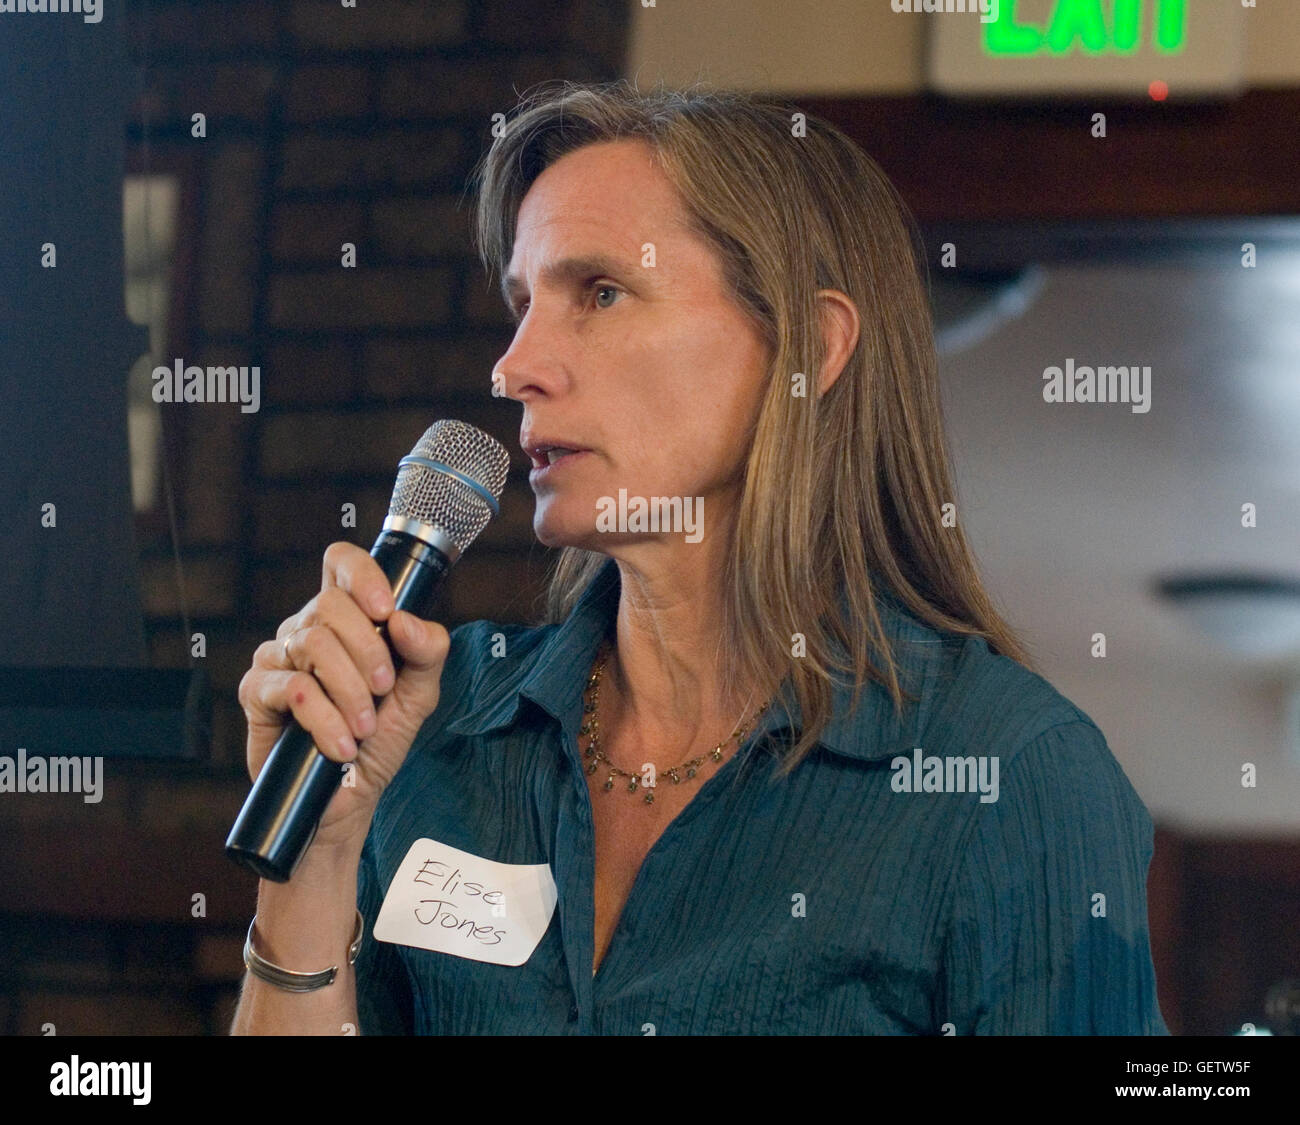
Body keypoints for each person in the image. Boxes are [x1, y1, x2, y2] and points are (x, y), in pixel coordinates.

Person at [230, 79, 1168, 1035]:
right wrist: (314, 862)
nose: (515, 365)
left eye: (600, 292)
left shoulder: (1011, 773)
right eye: (522, 303)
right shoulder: (436, 718)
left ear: (810, 347)